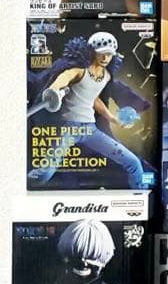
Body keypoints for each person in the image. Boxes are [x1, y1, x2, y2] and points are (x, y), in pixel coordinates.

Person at [27, 30, 150, 188]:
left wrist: (113, 119)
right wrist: (54, 90)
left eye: (109, 54)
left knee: (133, 163)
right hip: (69, 129)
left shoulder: (106, 76)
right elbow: (64, 78)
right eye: (101, 54)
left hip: (91, 130)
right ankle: (19, 184)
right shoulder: (80, 71)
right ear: (92, 52)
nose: (105, 58)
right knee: (44, 173)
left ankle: (140, 194)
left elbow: (94, 99)